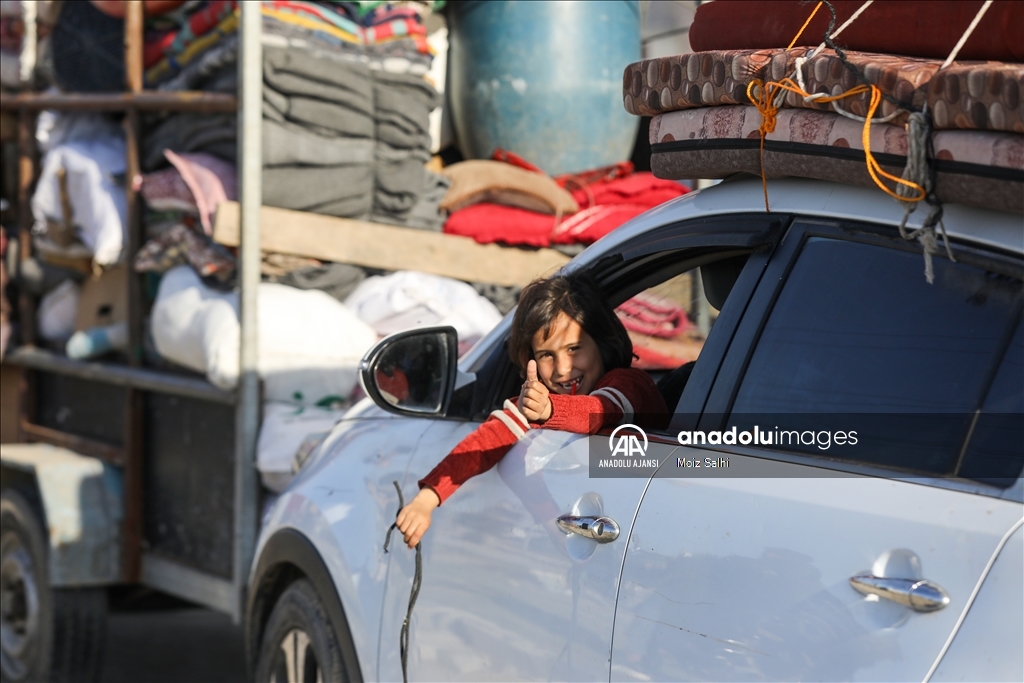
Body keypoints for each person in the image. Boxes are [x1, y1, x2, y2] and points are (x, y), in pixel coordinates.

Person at [395, 271, 669, 548]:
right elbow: (485, 443)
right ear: (531, 360)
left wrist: (549, 409)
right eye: (546, 355)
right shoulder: (539, 402)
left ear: (602, 341)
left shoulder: (629, 383)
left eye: (574, 348)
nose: (562, 368)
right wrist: (425, 501)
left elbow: (599, 411)